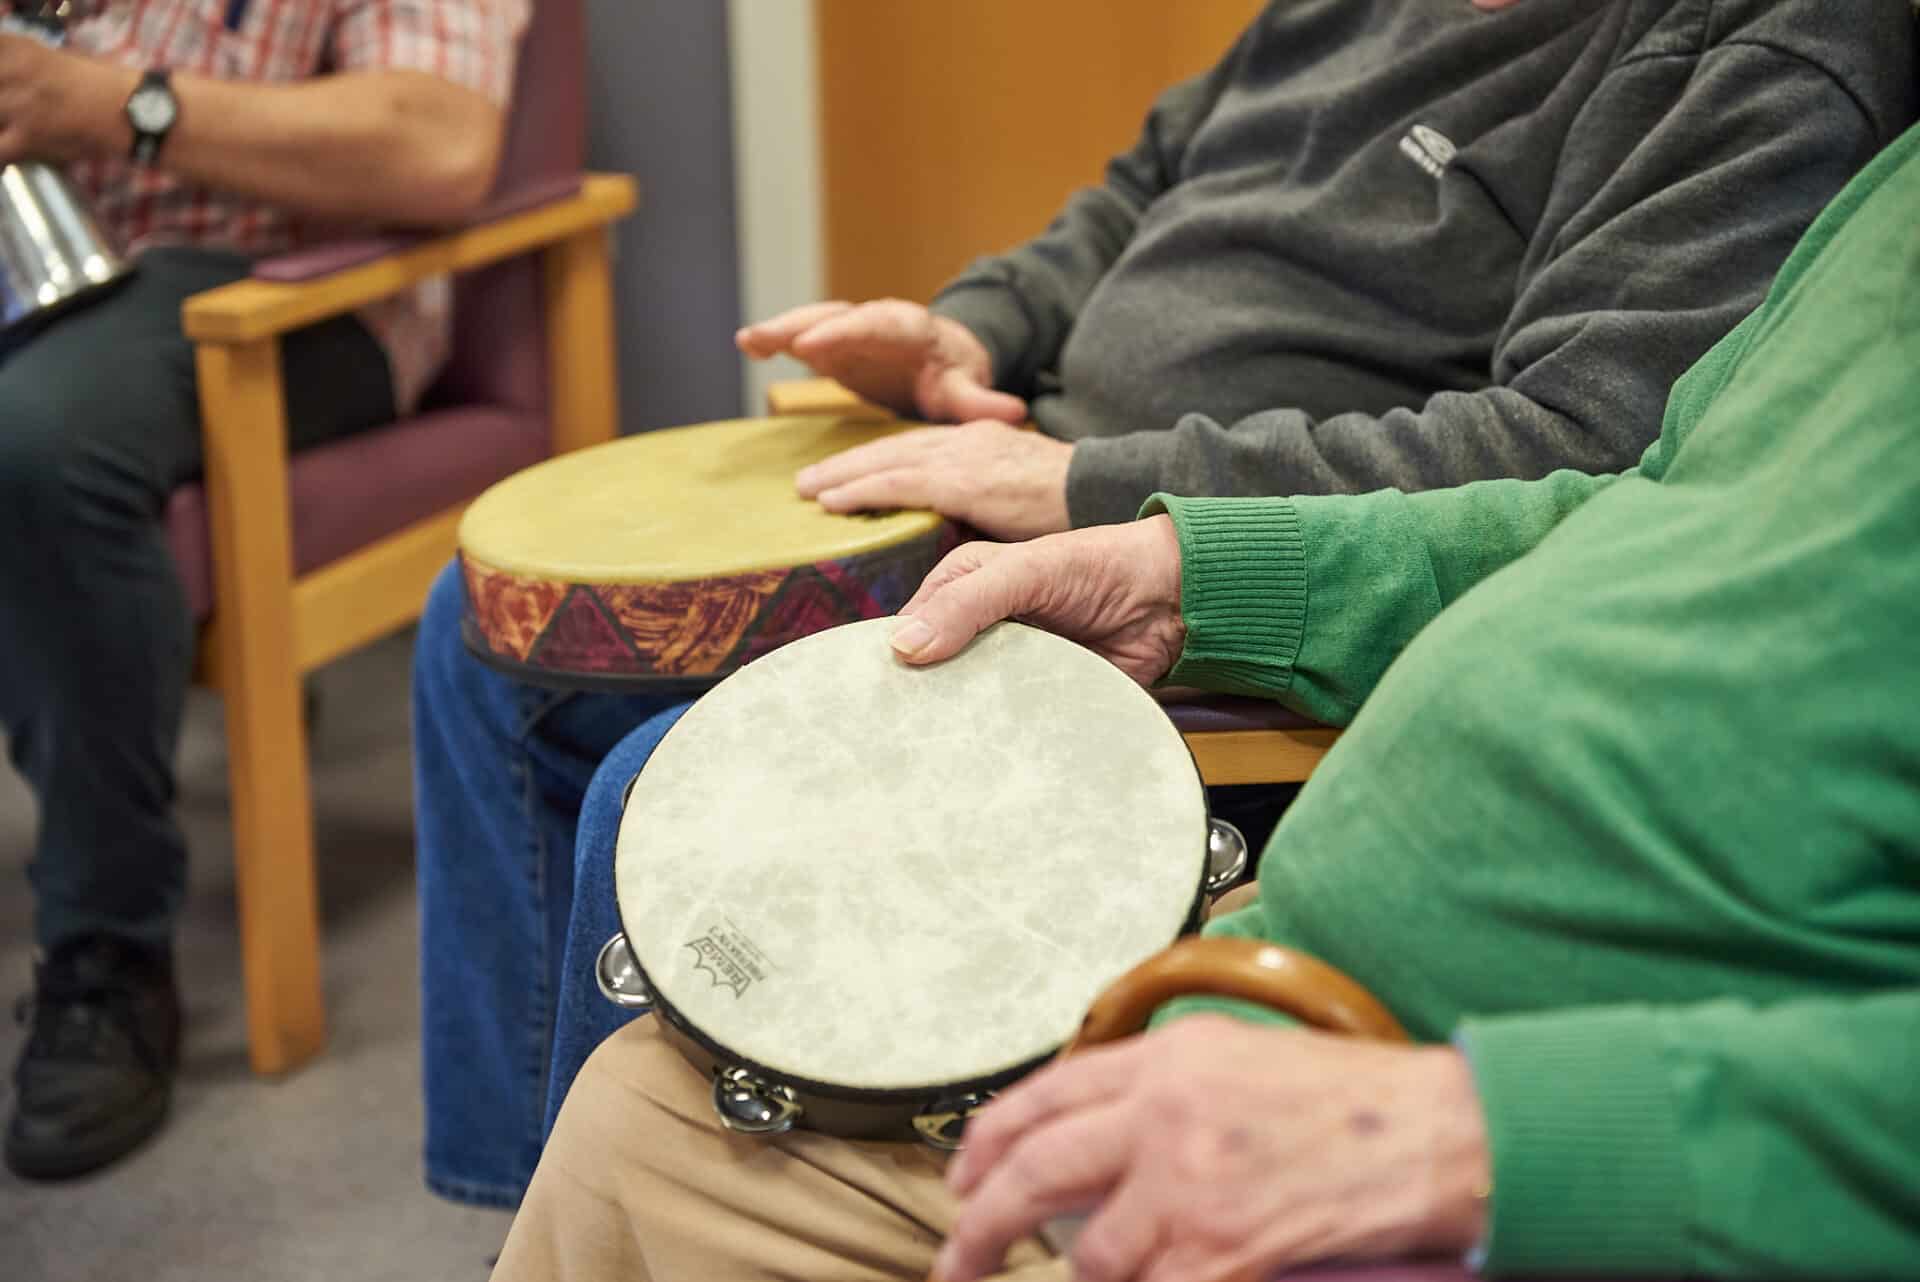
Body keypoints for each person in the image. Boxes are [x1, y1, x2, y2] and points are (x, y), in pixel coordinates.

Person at [413, 0, 1918, 1207]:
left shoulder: (1751, 55)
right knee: (474, 635)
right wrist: (967, 328)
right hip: (1028, 469)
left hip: (1141, 533)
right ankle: (509, 1197)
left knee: (647, 794)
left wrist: (1091, 484)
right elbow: (1140, 192)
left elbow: (1569, 444)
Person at [0, 0, 528, 1181]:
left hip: (280, 294)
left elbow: (440, 144)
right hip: (48, 273)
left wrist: (111, 105)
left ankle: (107, 952)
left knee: (33, 443)